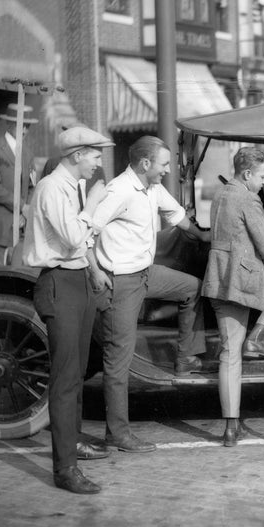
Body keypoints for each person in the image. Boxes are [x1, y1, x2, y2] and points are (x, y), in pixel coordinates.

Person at [88, 136, 211, 453]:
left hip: (146, 273)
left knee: (192, 288)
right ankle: (117, 434)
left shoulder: (151, 188)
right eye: (164, 164)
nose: (167, 170)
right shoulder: (119, 191)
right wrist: (96, 271)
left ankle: (184, 359)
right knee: (118, 361)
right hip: (122, 281)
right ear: (145, 164)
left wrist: (205, 235)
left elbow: (177, 217)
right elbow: (87, 232)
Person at [23, 125, 114, 495]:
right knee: (64, 380)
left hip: (76, 281)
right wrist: (93, 205)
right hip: (58, 283)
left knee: (75, 374)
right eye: (95, 155)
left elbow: (81, 245)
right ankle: (65, 470)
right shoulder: (52, 188)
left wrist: (93, 270)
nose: (98, 162)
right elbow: (75, 237)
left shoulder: (72, 187)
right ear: (77, 155)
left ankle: (72, 444)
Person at [202, 147, 264, 447]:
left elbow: (237, 225)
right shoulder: (249, 197)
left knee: (230, 355)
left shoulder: (222, 193)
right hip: (244, 281)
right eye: (262, 177)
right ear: (247, 174)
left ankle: (230, 429)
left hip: (219, 279)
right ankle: (257, 336)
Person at [0, 103, 37, 264]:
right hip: (0, 224)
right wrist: (21, 206)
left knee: (17, 270)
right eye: (21, 125)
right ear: (9, 123)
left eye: (28, 126)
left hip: (21, 224)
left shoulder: (27, 153)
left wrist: (26, 210)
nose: (24, 130)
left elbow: (32, 185)